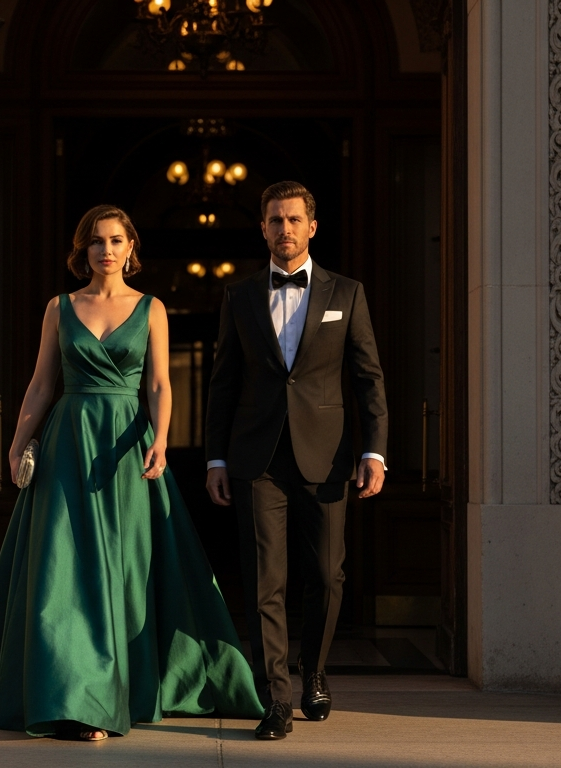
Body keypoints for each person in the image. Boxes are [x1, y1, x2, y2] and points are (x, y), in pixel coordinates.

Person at [0, 205, 263, 741]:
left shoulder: (153, 309)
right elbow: (42, 384)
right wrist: (20, 439)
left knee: (120, 573)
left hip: (126, 450)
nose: (106, 250)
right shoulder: (59, 307)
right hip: (67, 447)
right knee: (63, 575)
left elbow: (160, 385)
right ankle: (72, 697)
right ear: (83, 250)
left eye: (116, 240)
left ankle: (110, 691)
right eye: (96, 241)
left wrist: (162, 439)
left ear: (131, 247)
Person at [204, 181, 389, 740]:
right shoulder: (238, 296)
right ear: (262, 228)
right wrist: (215, 458)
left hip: (328, 458)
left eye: (293, 220)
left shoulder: (347, 293)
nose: (284, 229)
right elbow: (222, 383)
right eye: (274, 220)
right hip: (256, 458)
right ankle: (277, 698)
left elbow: (367, 377)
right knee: (266, 579)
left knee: (327, 578)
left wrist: (374, 449)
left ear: (312, 226)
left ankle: (315, 671)